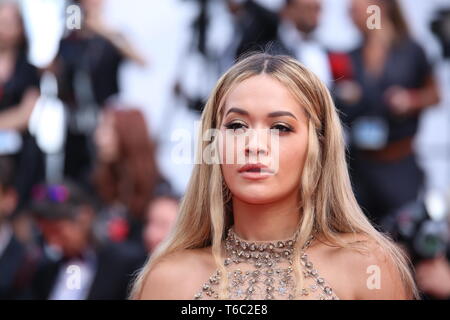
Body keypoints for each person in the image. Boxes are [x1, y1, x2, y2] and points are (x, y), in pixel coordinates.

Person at [130, 53, 418, 300]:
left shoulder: (367, 267)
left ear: (317, 145)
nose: (254, 145)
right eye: (237, 125)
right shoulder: (168, 279)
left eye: (280, 127)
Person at [331, 0, 440, 228]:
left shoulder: (411, 51)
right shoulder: (351, 56)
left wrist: (411, 100)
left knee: (402, 235)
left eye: (355, 10)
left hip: (399, 164)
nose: (350, 17)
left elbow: (435, 95)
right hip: (360, 167)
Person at [30, 181, 145, 300]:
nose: (53, 243)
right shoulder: (44, 274)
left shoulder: (124, 264)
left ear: (84, 217)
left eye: (57, 232)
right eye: (46, 234)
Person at [93, 108, 162, 246]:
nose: (98, 138)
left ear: (128, 135)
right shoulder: (100, 181)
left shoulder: (158, 191)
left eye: (107, 130)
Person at [0, 0, 44, 208]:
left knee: (20, 209)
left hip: (19, 155)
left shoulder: (27, 69)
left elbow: (25, 114)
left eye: (8, 23)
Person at [270, 0, 332, 87]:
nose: (314, 14)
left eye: (317, 9)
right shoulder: (271, 52)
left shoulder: (325, 50)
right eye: (308, 8)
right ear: (288, 11)